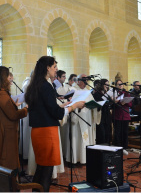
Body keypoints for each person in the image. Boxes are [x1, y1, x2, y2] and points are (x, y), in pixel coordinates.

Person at [25, 56, 85, 192]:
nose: (56, 70)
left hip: (38, 131)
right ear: (47, 68)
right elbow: (56, 113)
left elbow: (44, 107)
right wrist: (74, 106)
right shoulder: (46, 86)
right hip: (47, 132)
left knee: (41, 168)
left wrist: (62, 105)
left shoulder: (35, 84)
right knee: (46, 171)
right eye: (54, 67)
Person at [0, 66, 28, 170]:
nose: (10, 78)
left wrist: (14, 105)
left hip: (1, 131)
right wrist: (26, 109)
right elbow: (13, 115)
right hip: (2, 133)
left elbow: (5, 110)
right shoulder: (0, 93)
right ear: (3, 77)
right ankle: (6, 184)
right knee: (4, 161)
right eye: (8, 76)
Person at [64, 74, 98, 165]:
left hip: (87, 118)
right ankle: (74, 160)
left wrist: (96, 106)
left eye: (86, 80)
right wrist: (78, 106)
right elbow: (69, 103)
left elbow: (92, 102)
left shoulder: (88, 91)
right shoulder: (73, 90)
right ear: (78, 81)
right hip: (77, 118)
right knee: (76, 138)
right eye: (84, 80)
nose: (86, 83)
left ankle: (85, 159)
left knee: (85, 139)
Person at [113, 79, 132, 152]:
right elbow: (112, 104)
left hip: (125, 115)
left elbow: (130, 104)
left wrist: (124, 102)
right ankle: (118, 147)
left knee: (125, 132)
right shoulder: (114, 92)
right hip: (117, 115)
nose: (120, 85)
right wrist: (119, 102)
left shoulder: (126, 93)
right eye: (119, 84)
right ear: (116, 85)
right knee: (117, 132)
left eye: (121, 84)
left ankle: (125, 147)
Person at [92, 79, 112, 144]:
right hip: (100, 114)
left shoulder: (107, 93)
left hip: (107, 114)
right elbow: (97, 102)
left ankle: (107, 147)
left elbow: (109, 103)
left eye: (108, 84)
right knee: (102, 133)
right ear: (102, 85)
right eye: (106, 84)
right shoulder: (97, 93)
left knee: (108, 132)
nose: (107, 86)